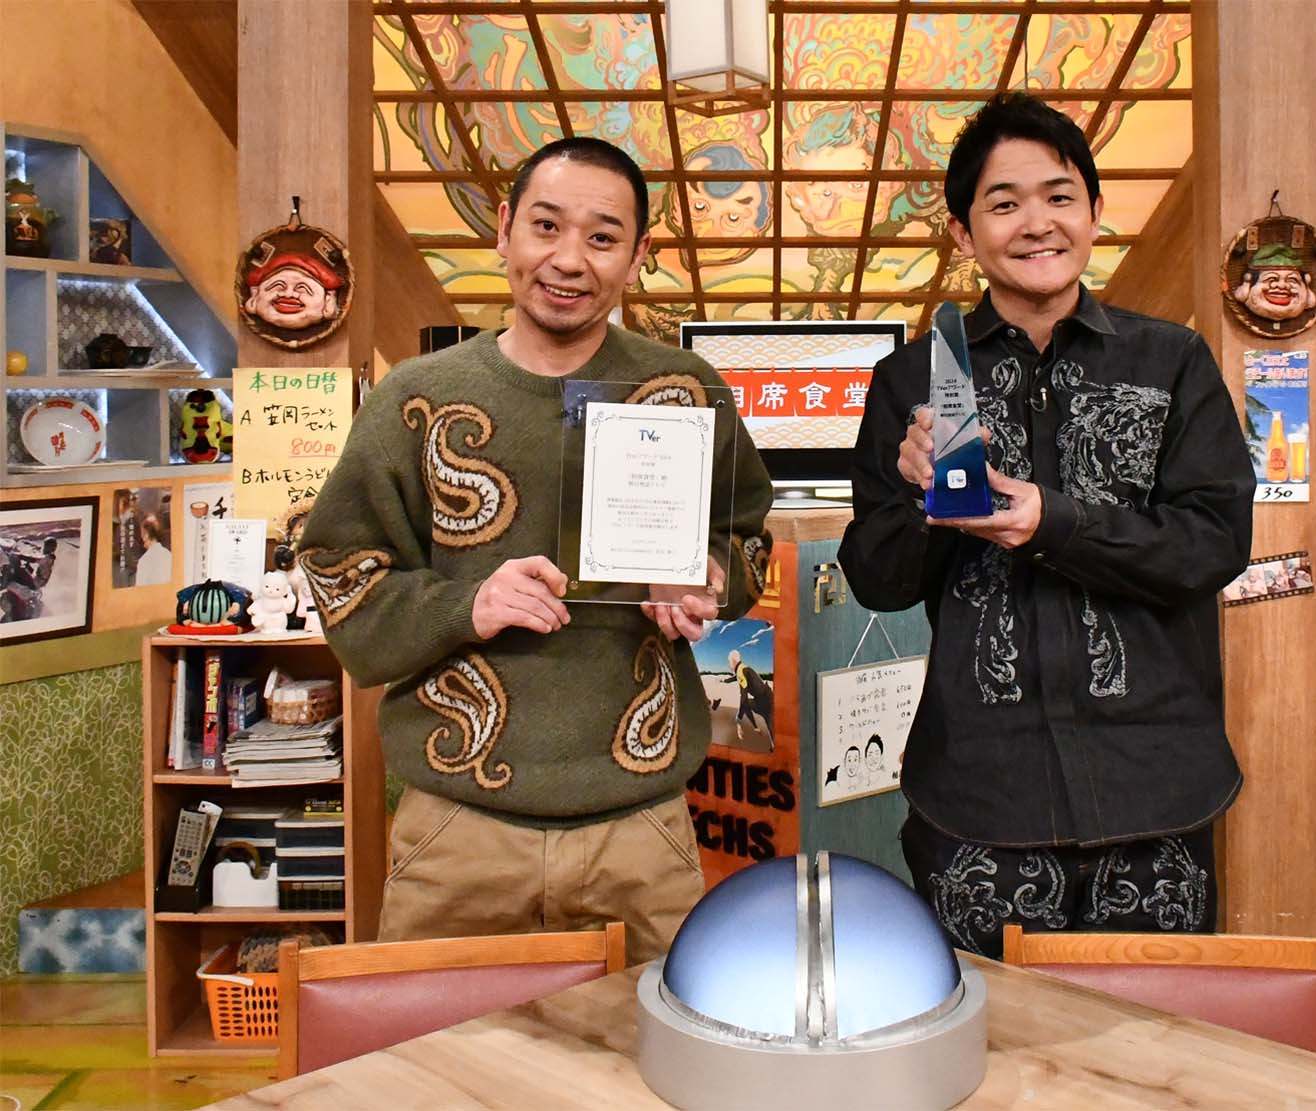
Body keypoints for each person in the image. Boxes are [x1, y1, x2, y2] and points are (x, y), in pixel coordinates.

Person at [297, 137, 774, 965]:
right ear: (504, 229)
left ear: (638, 256)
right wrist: (468, 603)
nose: (569, 259)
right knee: (441, 1048)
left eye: (602, 237)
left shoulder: (684, 390)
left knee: (650, 1044)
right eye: (546, 226)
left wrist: (710, 575)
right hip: (457, 830)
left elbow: (748, 537)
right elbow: (342, 576)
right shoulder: (419, 395)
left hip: (641, 827)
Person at [838, 93, 1255, 959]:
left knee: (1149, 1034)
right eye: (1004, 203)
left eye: (1060, 197)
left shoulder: (1173, 361)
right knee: (987, 1031)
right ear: (963, 233)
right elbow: (877, 579)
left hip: (1156, 790)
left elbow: (1213, 542)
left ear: (1095, 213)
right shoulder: (911, 378)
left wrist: (1051, 522)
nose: (1037, 223)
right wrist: (920, 499)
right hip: (980, 794)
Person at [727, 648, 774, 746]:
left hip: (764, 702)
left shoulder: (740, 671)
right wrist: (725, 681)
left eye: (729, 661)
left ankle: (756, 728)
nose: (729, 665)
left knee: (746, 703)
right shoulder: (744, 668)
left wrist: (739, 718)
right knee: (771, 725)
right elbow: (736, 677)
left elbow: (743, 698)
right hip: (768, 696)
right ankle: (760, 731)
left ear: (733, 661)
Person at [134, 517, 171, 586]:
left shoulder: (144, 560)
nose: (141, 537)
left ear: (146, 535)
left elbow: (139, 589)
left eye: (142, 533)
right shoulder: (168, 554)